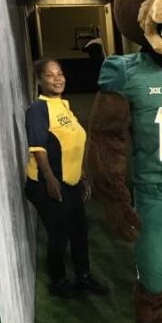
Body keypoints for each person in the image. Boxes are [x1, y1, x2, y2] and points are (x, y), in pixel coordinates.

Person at [25, 59, 108, 299]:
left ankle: (83, 277)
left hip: (69, 182)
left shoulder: (63, 106)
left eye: (60, 74)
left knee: (80, 229)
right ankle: (58, 281)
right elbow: (38, 148)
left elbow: (71, 144)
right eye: (50, 75)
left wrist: (81, 176)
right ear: (40, 80)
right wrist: (50, 179)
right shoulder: (38, 109)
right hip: (46, 183)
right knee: (58, 233)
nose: (57, 79)